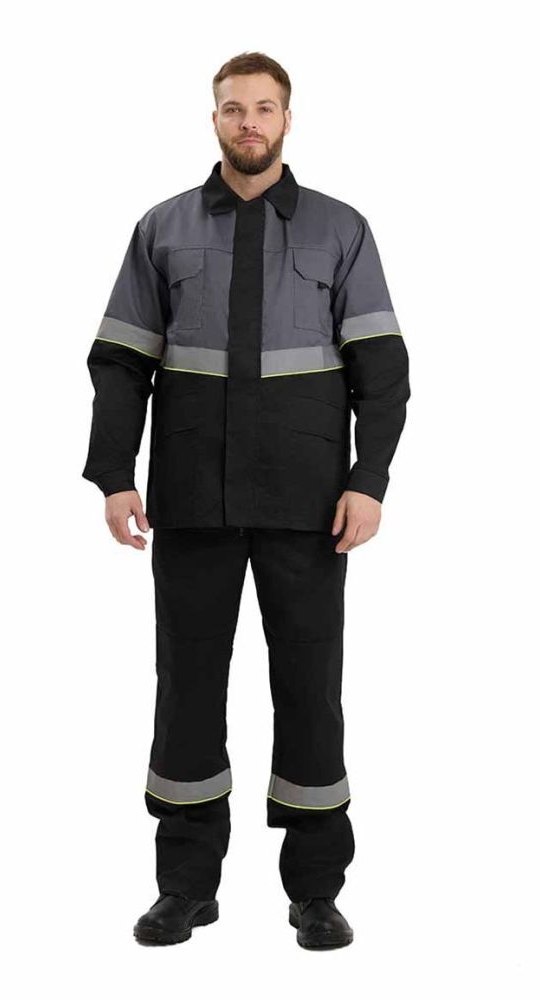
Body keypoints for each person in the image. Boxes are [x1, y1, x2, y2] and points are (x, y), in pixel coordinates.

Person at [82, 51, 410, 950]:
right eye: (234, 109)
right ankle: (185, 886)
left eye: (264, 108)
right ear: (214, 119)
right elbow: (120, 363)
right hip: (191, 498)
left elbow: (382, 372)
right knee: (187, 687)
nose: (250, 123)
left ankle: (315, 890)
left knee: (310, 687)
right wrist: (115, 474)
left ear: (287, 119)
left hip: (311, 505)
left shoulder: (341, 229)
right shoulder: (162, 228)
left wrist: (368, 481)